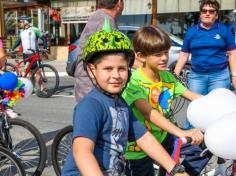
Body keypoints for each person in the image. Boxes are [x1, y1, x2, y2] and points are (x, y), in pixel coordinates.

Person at [61, 23, 189, 176]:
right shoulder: (91, 105)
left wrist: (175, 169)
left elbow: (144, 138)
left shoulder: (121, 104)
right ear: (92, 69)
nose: (116, 75)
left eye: (121, 68)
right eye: (108, 69)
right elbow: (82, 152)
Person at [122, 25, 209, 176]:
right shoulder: (134, 82)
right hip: (140, 146)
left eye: (165, 53)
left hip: (165, 136)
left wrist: (219, 106)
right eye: (157, 54)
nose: (164, 58)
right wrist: (181, 132)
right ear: (141, 56)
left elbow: (193, 96)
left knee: (204, 146)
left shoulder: (167, 77)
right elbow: (149, 113)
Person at [174, 0, 236, 95]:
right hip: (196, 77)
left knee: (217, 107)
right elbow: (184, 54)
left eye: (211, 11)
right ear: (200, 14)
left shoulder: (224, 30)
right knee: (198, 106)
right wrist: (175, 74)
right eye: (204, 11)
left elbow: (232, 53)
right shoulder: (191, 31)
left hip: (219, 77)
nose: (207, 13)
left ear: (216, 15)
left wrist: (234, 75)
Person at [74, 0, 124, 102]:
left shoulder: (98, 16)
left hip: (87, 82)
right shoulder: (105, 22)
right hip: (92, 85)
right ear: (119, 3)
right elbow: (111, 57)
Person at [12, 15, 48, 93]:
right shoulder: (21, 32)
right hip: (25, 55)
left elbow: (44, 38)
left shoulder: (34, 30)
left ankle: (42, 87)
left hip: (34, 54)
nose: (19, 24)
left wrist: (45, 48)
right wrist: (13, 48)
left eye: (20, 22)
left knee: (38, 72)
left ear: (25, 22)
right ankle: (32, 88)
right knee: (30, 73)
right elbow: (18, 41)